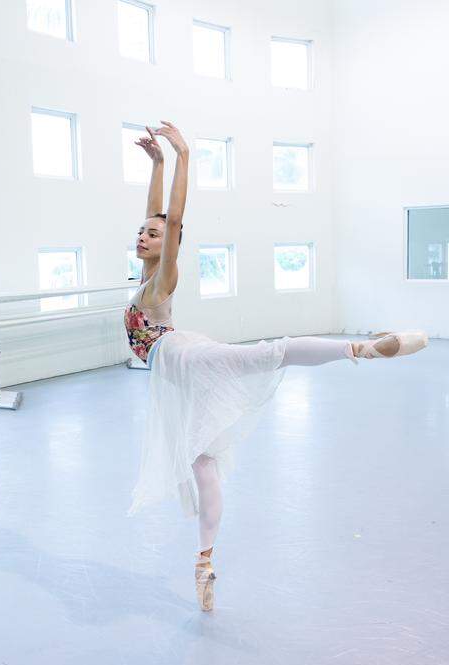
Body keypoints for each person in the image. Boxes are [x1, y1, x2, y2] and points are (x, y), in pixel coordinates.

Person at [124, 121, 427, 612]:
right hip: (172, 375)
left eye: (152, 235)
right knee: (203, 464)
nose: (143, 236)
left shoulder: (163, 279)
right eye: (140, 231)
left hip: (184, 356)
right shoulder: (146, 276)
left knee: (265, 354)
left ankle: (362, 350)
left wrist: (184, 157)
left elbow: (174, 220)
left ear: (169, 245)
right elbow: (159, 215)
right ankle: (204, 562)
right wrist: (156, 163)